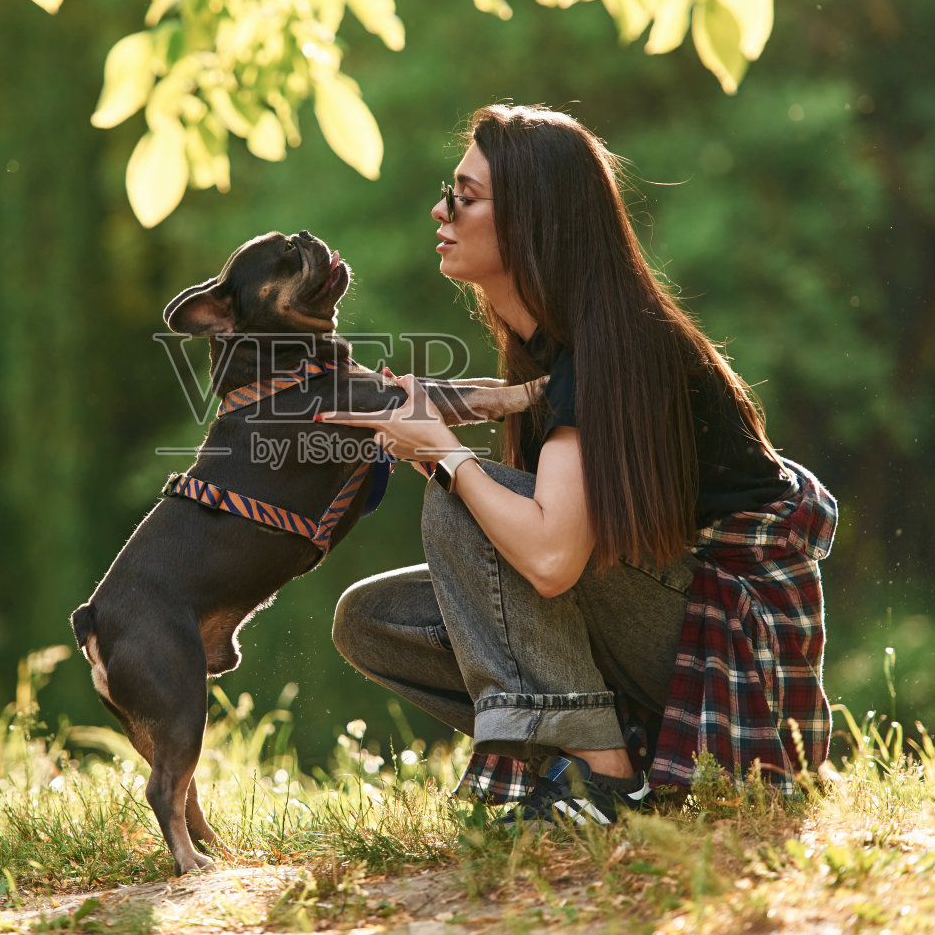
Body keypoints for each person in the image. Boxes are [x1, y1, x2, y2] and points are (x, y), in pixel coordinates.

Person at [315, 103, 837, 827]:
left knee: (469, 496)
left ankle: (600, 775)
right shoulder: (556, 350)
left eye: (465, 197)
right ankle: (601, 747)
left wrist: (442, 453)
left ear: (532, 219)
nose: (441, 208)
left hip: (730, 648)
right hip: (664, 623)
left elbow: (554, 557)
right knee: (370, 620)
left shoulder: (614, 349)